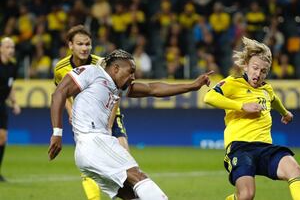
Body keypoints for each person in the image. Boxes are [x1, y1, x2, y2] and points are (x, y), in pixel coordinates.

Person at [48, 49, 213, 199]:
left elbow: (152, 89)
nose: (133, 77)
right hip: (94, 141)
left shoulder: (116, 86)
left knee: (131, 194)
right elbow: (59, 93)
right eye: (131, 71)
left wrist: (192, 86)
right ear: (115, 69)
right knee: (138, 177)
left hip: (89, 150)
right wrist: (57, 133)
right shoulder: (92, 72)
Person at [204, 37, 300, 200]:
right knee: (247, 194)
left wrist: (285, 113)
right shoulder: (233, 82)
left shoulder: (266, 89)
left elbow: (274, 100)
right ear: (246, 65)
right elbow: (209, 97)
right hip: (240, 147)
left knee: (294, 170)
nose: (258, 74)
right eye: (255, 68)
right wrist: (242, 106)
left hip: (265, 148)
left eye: (263, 71)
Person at [54, 25, 129, 200]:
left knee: (124, 159)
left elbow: (116, 94)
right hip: (84, 122)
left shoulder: (103, 64)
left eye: (88, 44)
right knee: (88, 163)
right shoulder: (60, 68)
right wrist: (71, 110)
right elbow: (61, 93)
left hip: (109, 115)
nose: (84, 48)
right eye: (80, 44)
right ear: (70, 45)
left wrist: (109, 124)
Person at [0, 37, 21, 182]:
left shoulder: (13, 66)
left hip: (2, 104)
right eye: (7, 47)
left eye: (12, 47)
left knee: (2, 138)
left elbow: (10, 85)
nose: (10, 50)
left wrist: (15, 102)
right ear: (1, 48)